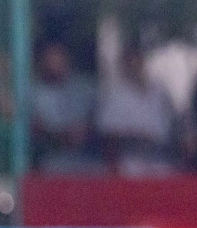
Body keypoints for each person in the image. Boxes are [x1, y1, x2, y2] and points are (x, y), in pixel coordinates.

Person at [95, 45, 178, 177]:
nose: (135, 67)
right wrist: (136, 137)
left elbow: (172, 122)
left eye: (138, 62)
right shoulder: (115, 94)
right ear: (124, 66)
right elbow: (108, 133)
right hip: (131, 162)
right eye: (130, 63)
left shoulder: (159, 90)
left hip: (162, 159)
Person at [31, 40, 100, 173]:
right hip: (50, 162)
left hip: (87, 160)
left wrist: (87, 130)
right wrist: (61, 136)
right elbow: (34, 127)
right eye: (50, 60)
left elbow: (100, 119)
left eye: (58, 59)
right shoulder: (34, 92)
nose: (55, 64)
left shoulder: (85, 88)